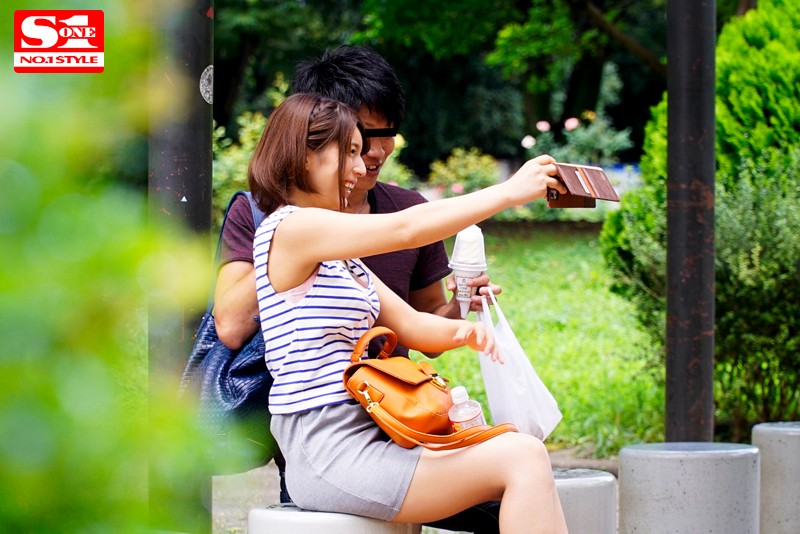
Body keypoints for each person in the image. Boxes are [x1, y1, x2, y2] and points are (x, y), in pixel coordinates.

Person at [213, 45, 506, 532]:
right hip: (326, 437)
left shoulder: (400, 213)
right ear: (309, 142)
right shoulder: (269, 218)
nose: (373, 153)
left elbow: (423, 322)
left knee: (507, 487)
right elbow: (230, 324)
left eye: (384, 134)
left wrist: (463, 306)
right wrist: (283, 241)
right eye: (355, 142)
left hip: (402, 420)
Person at [249, 92, 568, 533]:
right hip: (328, 450)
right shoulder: (290, 227)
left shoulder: (342, 261)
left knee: (522, 450)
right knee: (522, 457)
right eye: (349, 153)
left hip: (375, 436)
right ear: (305, 155)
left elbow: (413, 325)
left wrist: (465, 330)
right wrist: (509, 193)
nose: (360, 168)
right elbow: (407, 228)